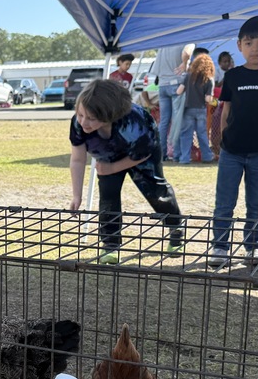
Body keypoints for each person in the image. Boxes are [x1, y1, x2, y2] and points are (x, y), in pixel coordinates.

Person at [68, 79, 184, 264]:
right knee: (108, 196)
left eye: (91, 118)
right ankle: (110, 245)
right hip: (107, 152)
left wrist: (112, 168)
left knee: (156, 192)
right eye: (80, 114)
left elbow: (142, 155)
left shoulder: (134, 123)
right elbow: (77, 159)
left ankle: (176, 228)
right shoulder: (78, 124)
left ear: (109, 116)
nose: (83, 122)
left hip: (141, 152)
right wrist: (76, 195)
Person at [206, 16, 258, 267]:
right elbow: (226, 111)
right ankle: (219, 248)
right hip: (231, 151)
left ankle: (254, 247)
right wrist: (218, 140)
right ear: (240, 45)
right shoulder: (233, 76)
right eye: (249, 42)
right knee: (224, 203)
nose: (255, 48)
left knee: (257, 205)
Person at [153, 41, 195, 161]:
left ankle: (161, 154)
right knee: (177, 120)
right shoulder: (187, 40)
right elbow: (187, 52)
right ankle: (177, 154)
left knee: (163, 121)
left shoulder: (164, 43)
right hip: (176, 84)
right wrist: (185, 62)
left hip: (162, 85)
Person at [175, 53, 216, 163]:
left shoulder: (188, 76)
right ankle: (207, 156)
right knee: (202, 134)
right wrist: (215, 101)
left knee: (186, 134)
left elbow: (178, 91)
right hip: (201, 109)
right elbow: (208, 99)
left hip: (188, 109)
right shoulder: (209, 79)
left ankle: (184, 158)